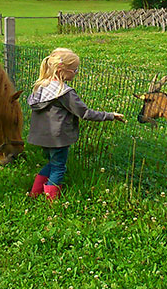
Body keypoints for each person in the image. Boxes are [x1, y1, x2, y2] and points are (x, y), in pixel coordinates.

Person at [26, 47, 125, 201]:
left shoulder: (40, 87)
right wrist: (110, 116)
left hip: (42, 137)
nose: (76, 73)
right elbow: (85, 113)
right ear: (61, 70)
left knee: (52, 163)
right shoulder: (64, 93)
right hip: (58, 138)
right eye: (74, 70)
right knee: (59, 167)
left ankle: (35, 193)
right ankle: (51, 200)